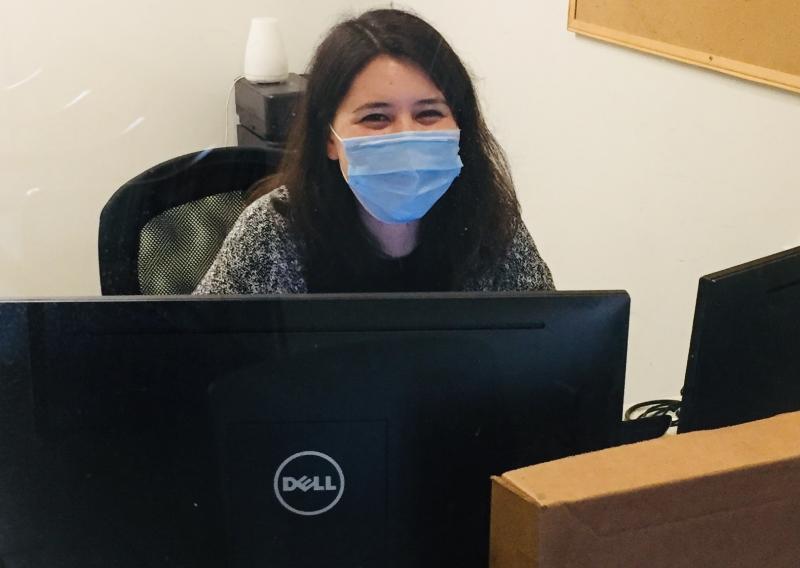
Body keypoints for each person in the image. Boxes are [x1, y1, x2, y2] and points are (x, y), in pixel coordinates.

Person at [195, 8, 554, 295]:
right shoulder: (269, 235)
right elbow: (195, 358)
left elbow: (550, 351)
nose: (406, 136)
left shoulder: (489, 223)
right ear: (330, 138)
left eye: (429, 113)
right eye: (376, 117)